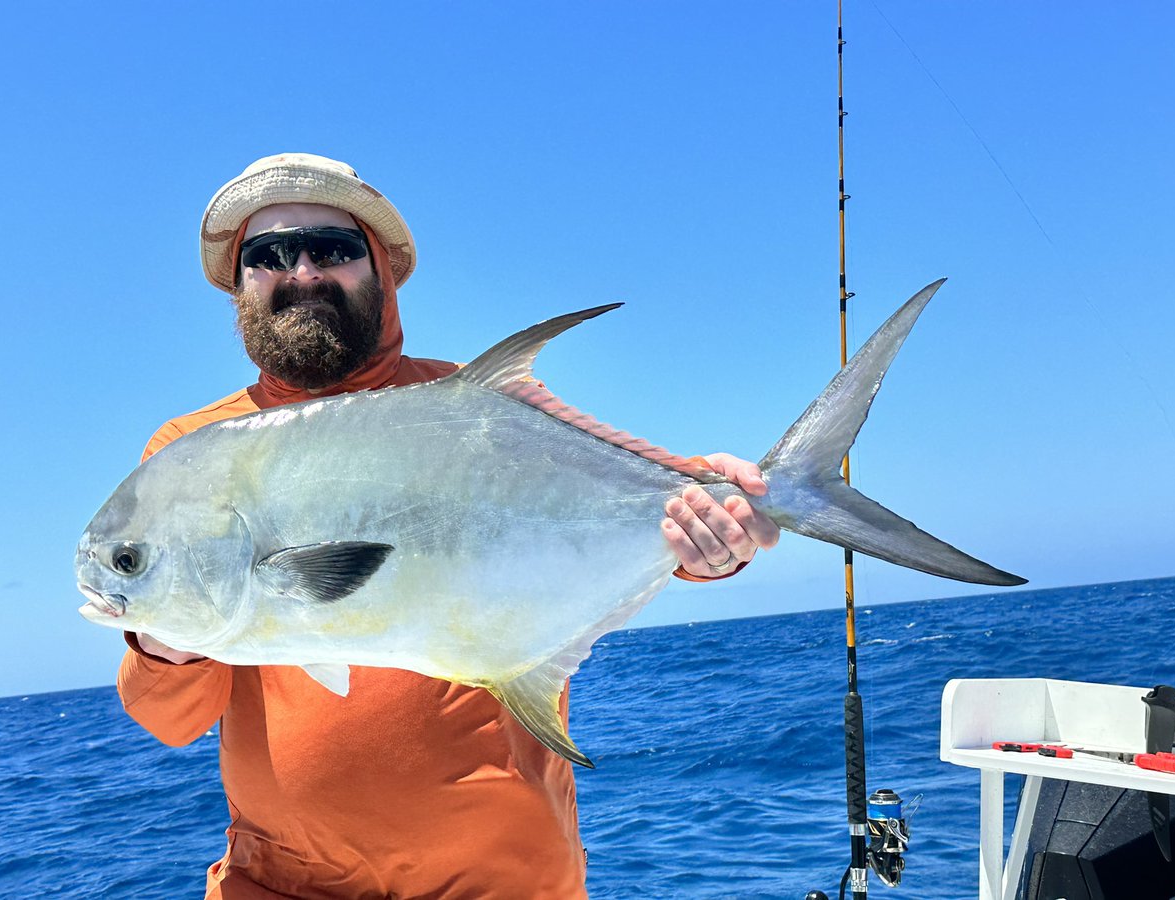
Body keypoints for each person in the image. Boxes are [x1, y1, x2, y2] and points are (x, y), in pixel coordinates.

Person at [118, 153, 780, 899]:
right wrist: (162, 637)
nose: (300, 270)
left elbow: (569, 499)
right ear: (239, 285)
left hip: (506, 879)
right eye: (266, 255)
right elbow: (170, 721)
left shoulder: (468, 402)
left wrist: (712, 532)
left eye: (332, 248)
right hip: (282, 883)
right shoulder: (190, 457)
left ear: (383, 271)